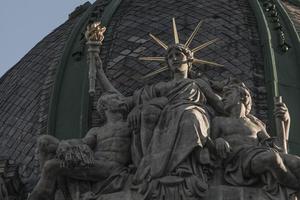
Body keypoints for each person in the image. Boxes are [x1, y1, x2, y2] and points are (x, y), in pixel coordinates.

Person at [28, 93, 131, 200]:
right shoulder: (96, 130)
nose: (122, 100)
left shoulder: (129, 124)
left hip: (111, 167)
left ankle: (42, 195)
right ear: (105, 106)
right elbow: (83, 142)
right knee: (44, 140)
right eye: (116, 98)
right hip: (95, 164)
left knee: (51, 166)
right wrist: (64, 144)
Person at [211, 82, 300, 190]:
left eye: (228, 94)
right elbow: (210, 142)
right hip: (239, 162)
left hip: (258, 154)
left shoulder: (255, 123)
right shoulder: (219, 121)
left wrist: (286, 121)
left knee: (296, 162)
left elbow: (278, 147)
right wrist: (218, 140)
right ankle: (294, 186)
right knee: (271, 158)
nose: (223, 99)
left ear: (243, 96)